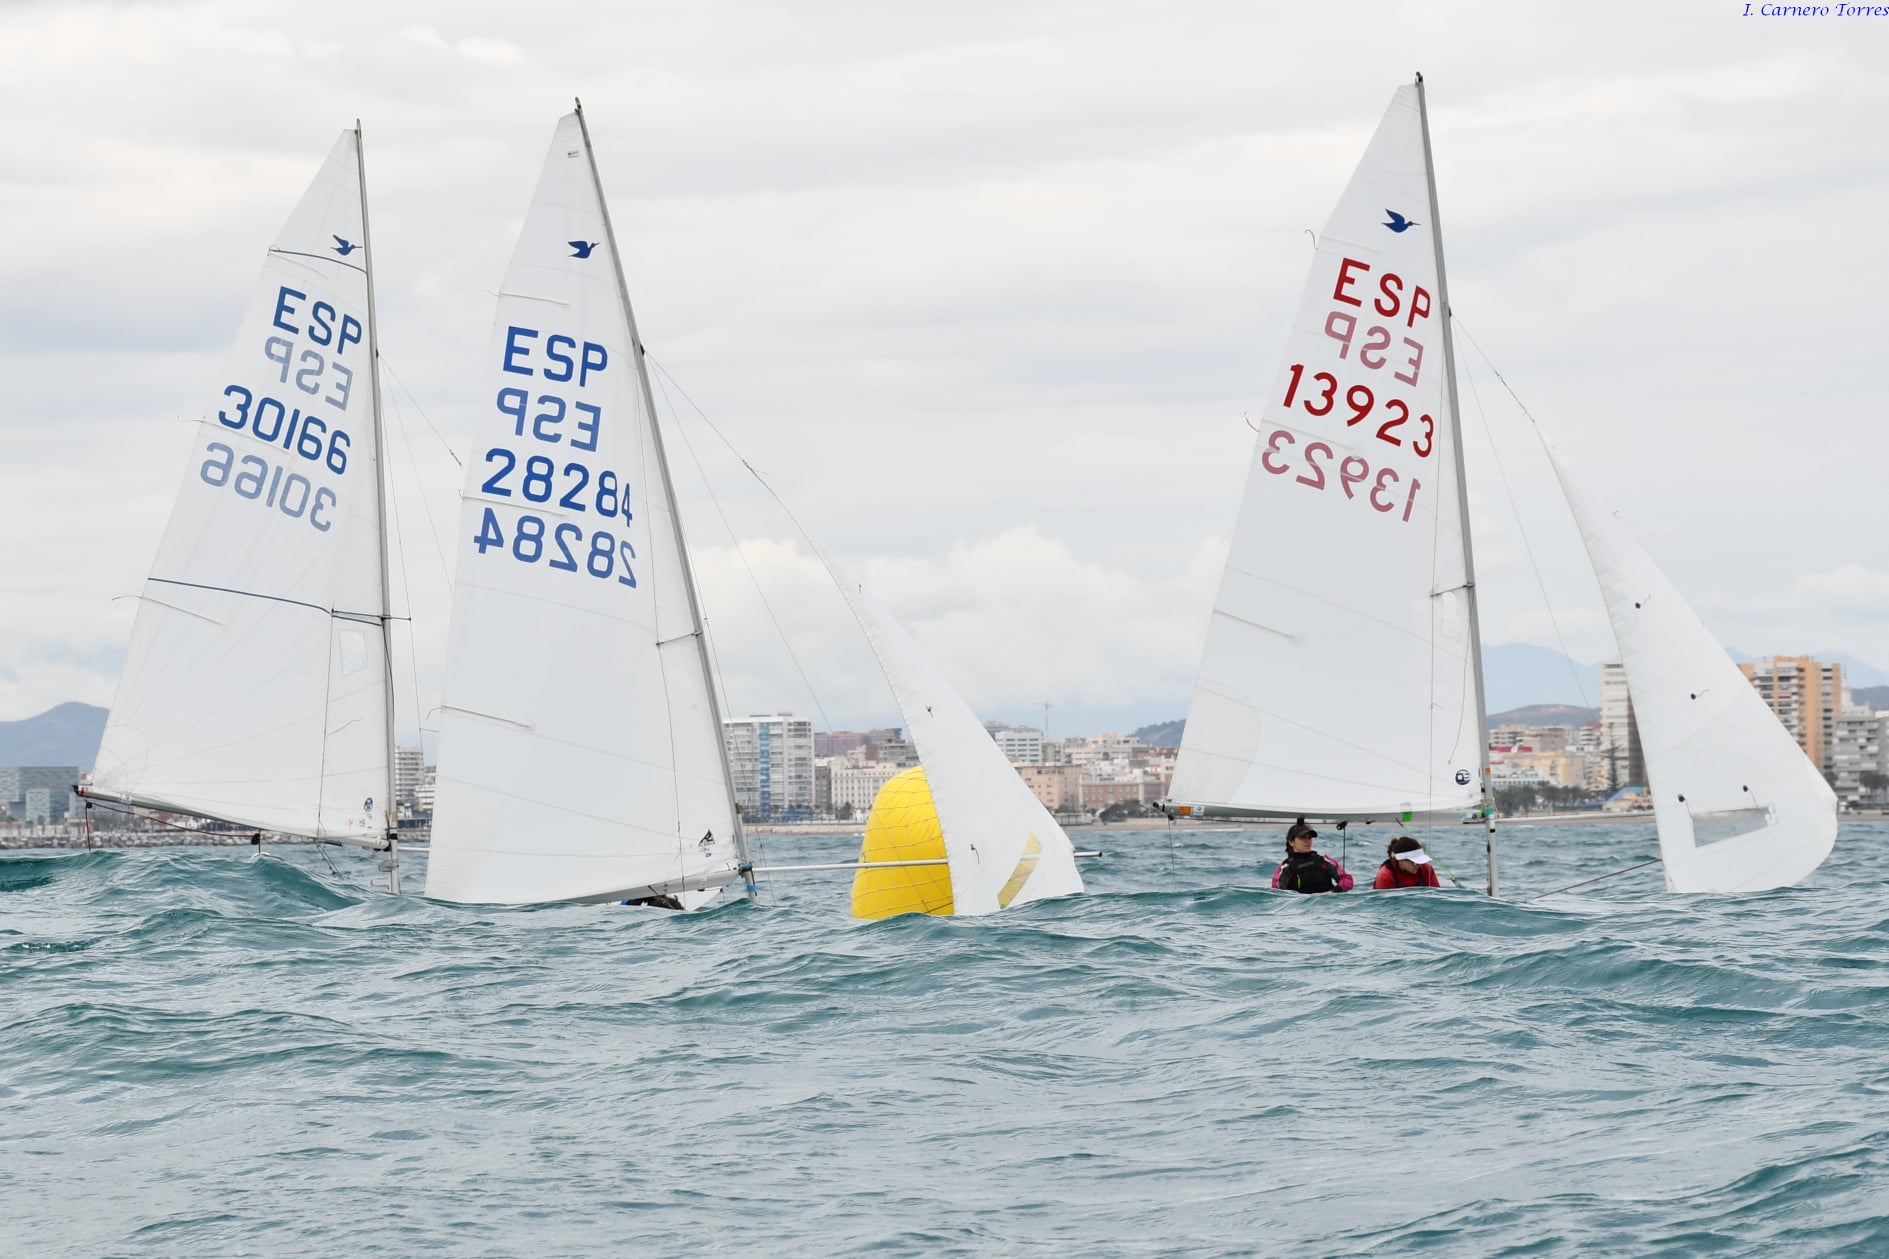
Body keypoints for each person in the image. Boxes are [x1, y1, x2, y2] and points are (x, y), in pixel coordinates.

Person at [1271, 822, 1354, 894]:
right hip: (1300, 905)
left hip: (1329, 903)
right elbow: (1277, 893)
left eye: (1309, 838)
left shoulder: (1323, 860)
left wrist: (1334, 891)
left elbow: (1347, 880)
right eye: (1302, 837)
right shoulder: (1286, 868)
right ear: (1291, 842)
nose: (1307, 841)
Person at [1373, 836, 1442, 889]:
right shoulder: (1385, 876)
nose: (1418, 865)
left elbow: (1436, 896)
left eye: (1420, 861)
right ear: (1400, 860)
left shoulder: (1427, 869)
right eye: (1415, 862)